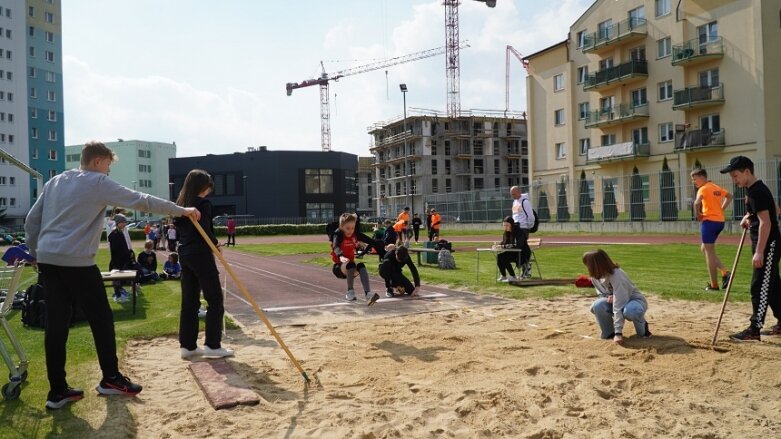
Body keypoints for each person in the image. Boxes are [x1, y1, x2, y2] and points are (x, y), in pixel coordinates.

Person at [24, 141, 200, 410]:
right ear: (97, 161)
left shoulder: (56, 181)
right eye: (107, 166)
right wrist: (182, 211)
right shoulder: (97, 182)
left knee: (56, 324)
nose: (108, 172)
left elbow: (31, 221)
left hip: (49, 259)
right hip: (76, 262)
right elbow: (142, 200)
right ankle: (111, 379)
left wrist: (36, 251)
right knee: (101, 319)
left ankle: (57, 390)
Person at [174, 169, 234, 359]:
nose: (209, 190)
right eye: (208, 186)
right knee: (214, 299)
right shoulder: (203, 204)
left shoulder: (180, 206)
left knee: (190, 301)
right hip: (200, 254)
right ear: (203, 186)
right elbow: (206, 231)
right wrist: (216, 244)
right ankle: (212, 346)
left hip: (184, 253)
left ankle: (188, 346)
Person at [720, 156, 781, 341]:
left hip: (768, 245)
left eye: (735, 175)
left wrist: (760, 251)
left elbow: (766, 222)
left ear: (747, 172)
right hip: (766, 244)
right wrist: (749, 216)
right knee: (773, 287)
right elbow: (774, 209)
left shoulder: (757, 192)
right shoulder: (755, 189)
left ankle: (754, 329)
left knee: (759, 286)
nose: (734, 179)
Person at [582, 249, 652, 344]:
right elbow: (601, 294)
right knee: (598, 305)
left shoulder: (617, 275)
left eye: (587, 264)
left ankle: (644, 331)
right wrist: (607, 297)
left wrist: (618, 333)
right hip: (616, 301)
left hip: (633, 301)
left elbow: (619, 303)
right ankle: (609, 334)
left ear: (595, 264)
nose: (587, 267)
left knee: (631, 311)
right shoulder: (595, 277)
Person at [691, 168, 733, 291]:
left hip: (709, 222)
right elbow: (730, 196)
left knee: (709, 253)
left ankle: (714, 285)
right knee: (704, 248)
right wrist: (721, 209)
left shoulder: (703, 189)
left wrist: (698, 214)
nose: (694, 182)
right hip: (720, 222)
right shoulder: (715, 187)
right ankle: (725, 272)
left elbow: (696, 203)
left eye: (695, 179)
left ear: (702, 177)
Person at [331, 213, 379, 305]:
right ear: (341, 227)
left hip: (350, 269)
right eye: (347, 228)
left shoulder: (355, 235)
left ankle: (368, 294)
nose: (350, 231)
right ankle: (350, 292)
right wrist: (340, 256)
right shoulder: (338, 234)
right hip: (339, 267)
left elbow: (370, 240)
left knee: (361, 265)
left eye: (352, 228)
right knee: (351, 264)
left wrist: (381, 245)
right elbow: (335, 246)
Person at [108, 214, 135, 303]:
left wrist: (129, 253)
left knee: (120, 278)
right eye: (123, 222)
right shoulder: (115, 234)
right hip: (117, 261)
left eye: (125, 222)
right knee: (116, 279)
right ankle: (118, 295)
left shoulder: (119, 232)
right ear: (118, 223)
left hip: (121, 260)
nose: (124, 224)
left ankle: (120, 294)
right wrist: (127, 253)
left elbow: (123, 247)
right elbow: (117, 249)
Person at [510, 186, 534, 279]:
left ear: (519, 192)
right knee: (524, 248)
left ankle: (525, 267)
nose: (513, 196)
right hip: (515, 228)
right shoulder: (514, 202)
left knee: (519, 248)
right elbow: (514, 215)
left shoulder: (525, 202)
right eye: (511, 194)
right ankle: (526, 267)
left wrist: (528, 226)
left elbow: (530, 215)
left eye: (514, 194)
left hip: (523, 228)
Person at [492, 216, 519, 282]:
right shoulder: (505, 233)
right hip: (510, 252)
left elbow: (516, 245)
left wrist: (503, 246)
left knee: (503, 257)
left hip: (518, 253)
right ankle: (503, 276)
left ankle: (513, 276)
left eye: (507, 225)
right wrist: (498, 245)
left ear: (511, 225)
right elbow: (504, 242)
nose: (505, 227)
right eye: (504, 225)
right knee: (499, 256)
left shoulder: (517, 232)